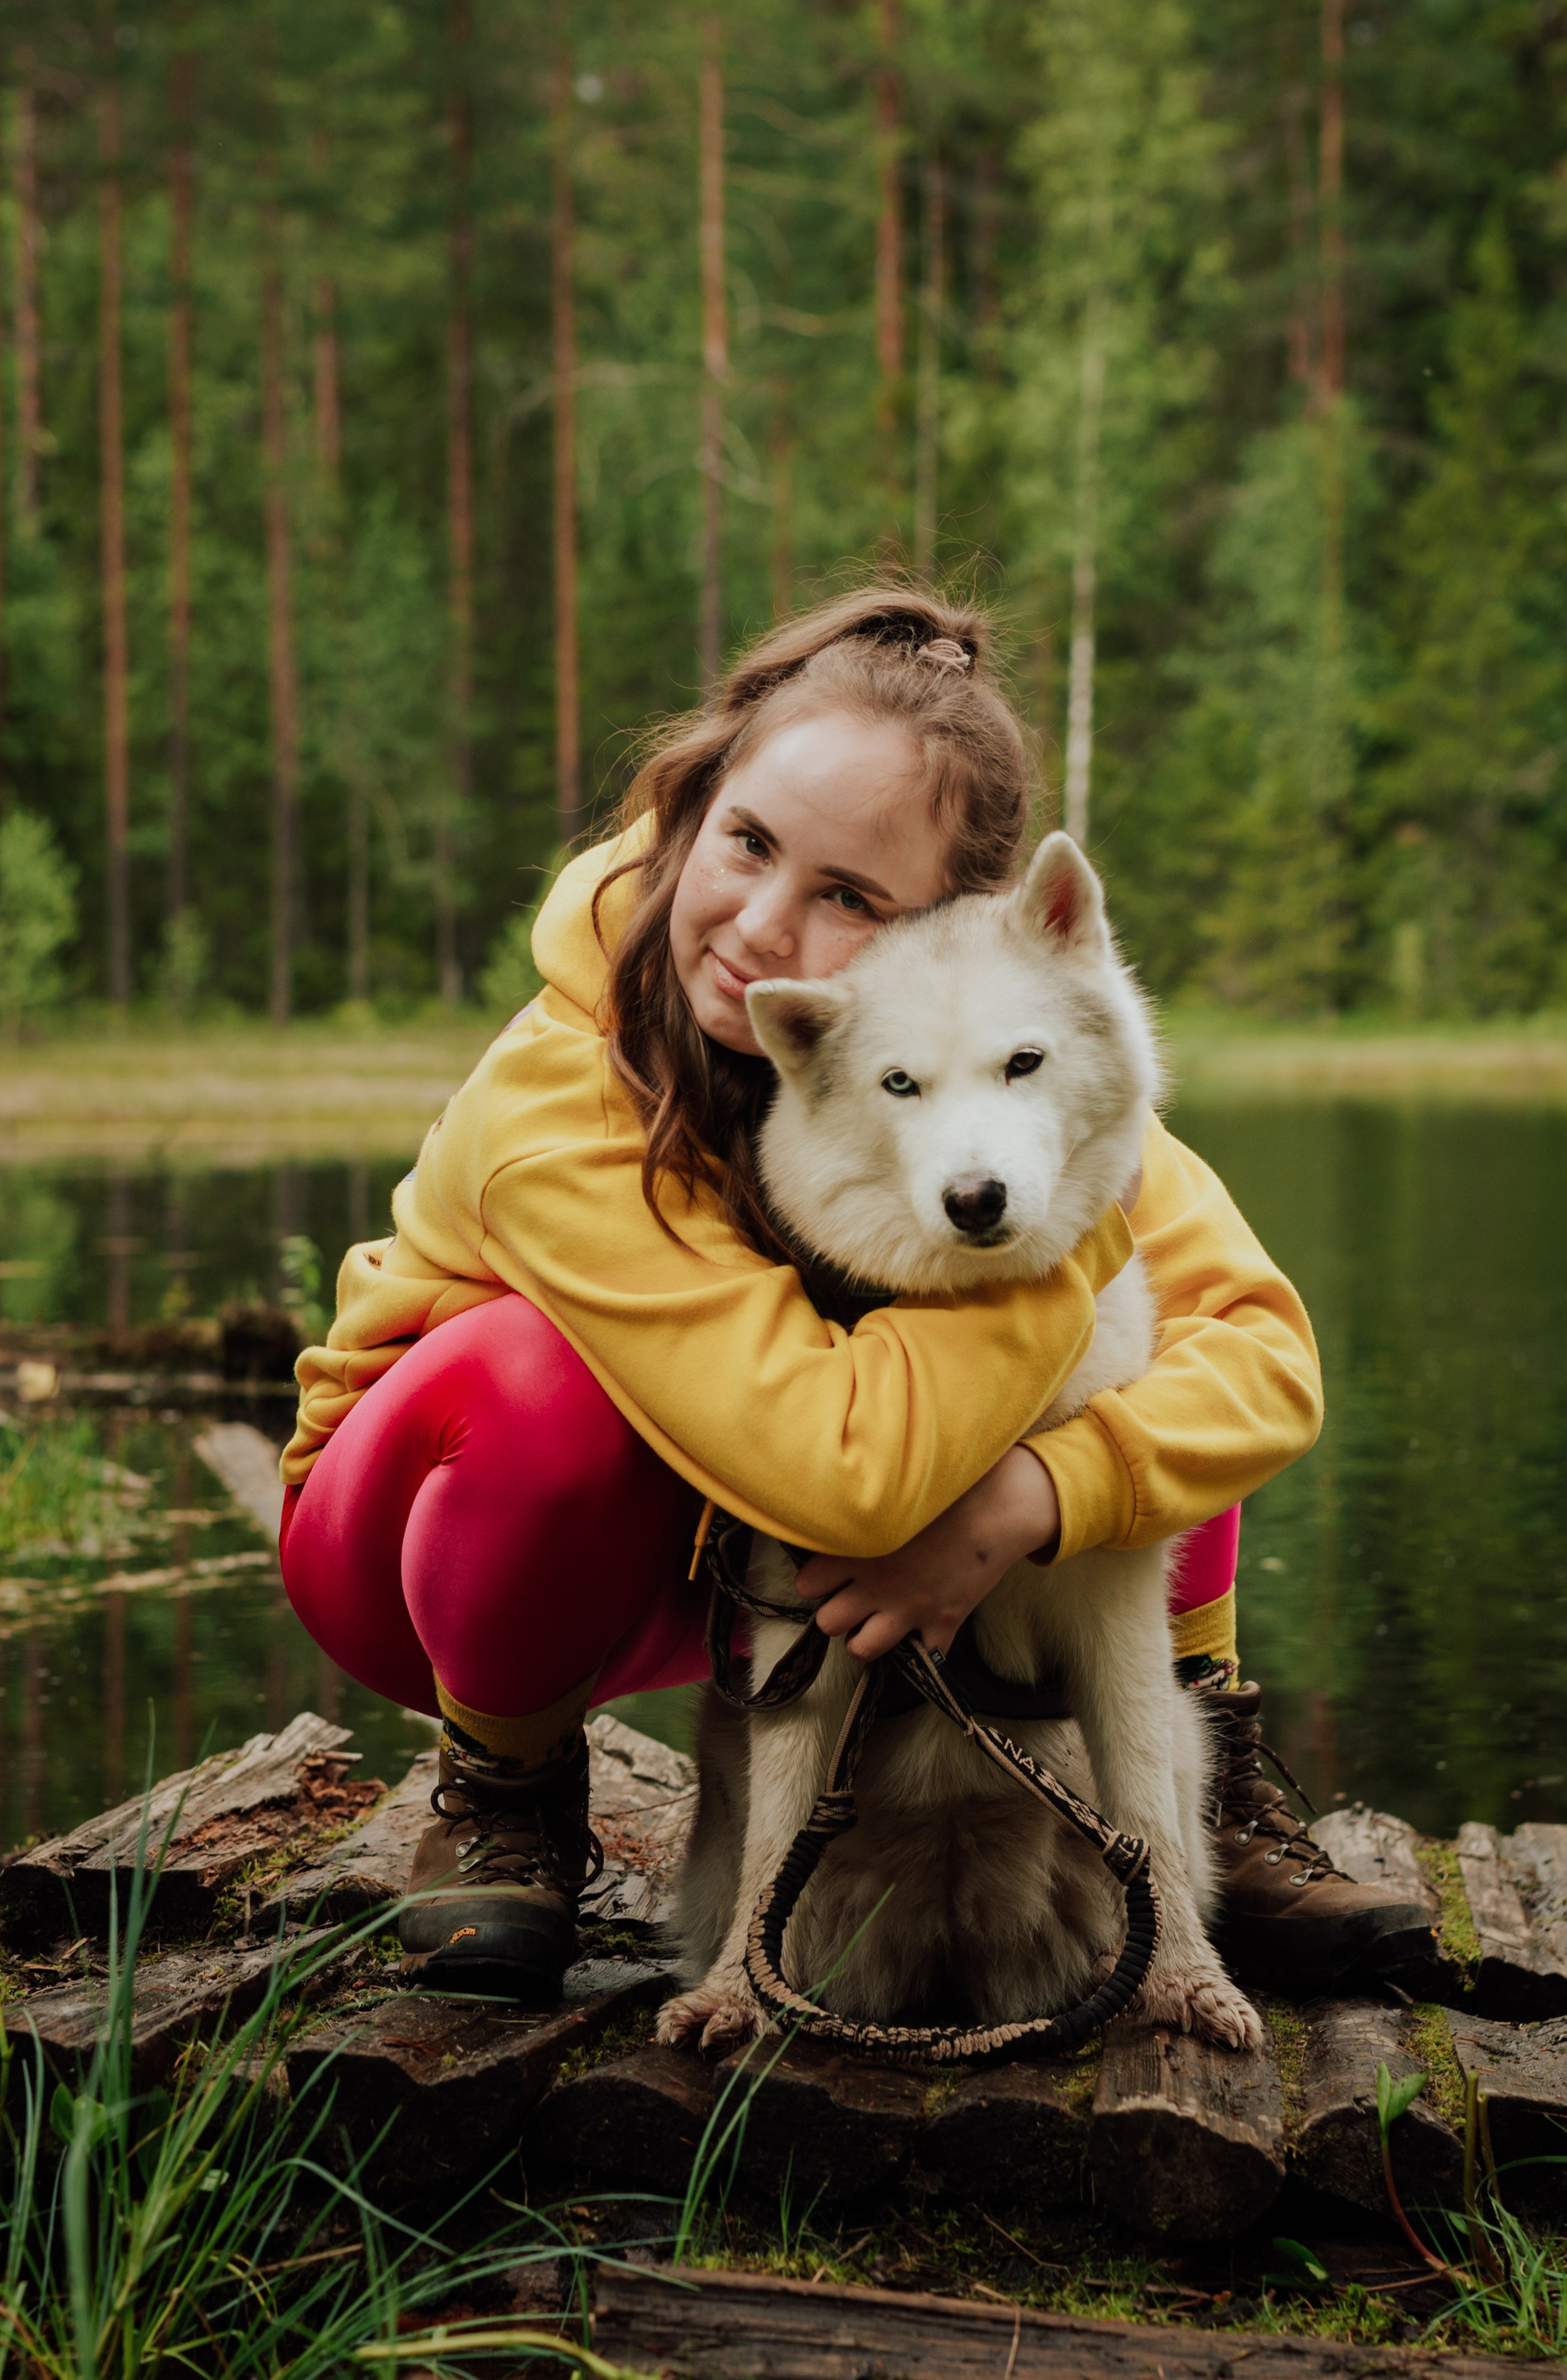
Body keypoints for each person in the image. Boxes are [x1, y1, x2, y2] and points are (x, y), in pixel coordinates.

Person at [279, 588, 1429, 2003]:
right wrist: (1072, 1253)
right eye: (748, 842)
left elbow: (1261, 1359)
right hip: (439, 1541)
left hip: (722, 1544)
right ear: (695, 798)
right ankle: (502, 1780)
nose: (760, 925)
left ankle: (1206, 1773)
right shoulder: (557, 1101)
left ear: (946, 937)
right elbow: (838, 1480)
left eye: (848, 897)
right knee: (543, 1382)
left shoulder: (986, 1057)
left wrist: (1037, 1495)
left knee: (1136, 1362)